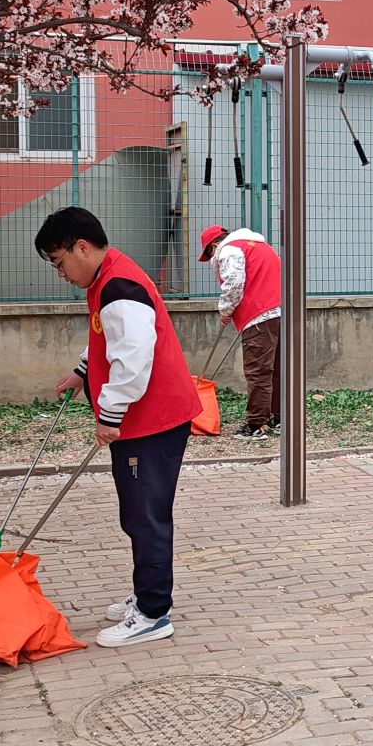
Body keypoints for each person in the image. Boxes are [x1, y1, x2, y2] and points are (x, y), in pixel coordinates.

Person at [36, 206, 199, 648]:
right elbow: (108, 339)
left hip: (152, 421)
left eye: (59, 262)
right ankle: (146, 593)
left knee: (145, 515)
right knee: (137, 512)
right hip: (145, 419)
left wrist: (109, 415)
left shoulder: (119, 286)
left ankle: (153, 612)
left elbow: (133, 357)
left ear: (81, 247)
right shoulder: (107, 277)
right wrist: (83, 371)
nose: (61, 274)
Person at [199, 224, 282, 437]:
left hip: (258, 315)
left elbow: (234, 284)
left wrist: (225, 310)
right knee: (277, 368)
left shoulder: (229, 250)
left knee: (258, 371)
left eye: (210, 256)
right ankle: (280, 417)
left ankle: (256, 425)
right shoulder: (262, 247)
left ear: (214, 246)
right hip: (281, 312)